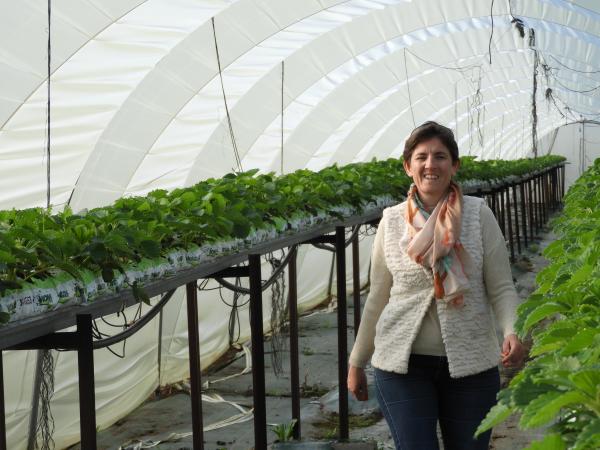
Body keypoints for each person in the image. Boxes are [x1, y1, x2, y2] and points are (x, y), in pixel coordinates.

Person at [347, 121, 525, 450]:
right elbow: (377, 297)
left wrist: (512, 331)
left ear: (454, 165)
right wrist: (356, 362)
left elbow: (501, 287)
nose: (431, 164)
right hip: (402, 365)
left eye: (441, 156)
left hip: (471, 365)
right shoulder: (392, 220)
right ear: (408, 166)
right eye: (422, 157)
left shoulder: (478, 215)